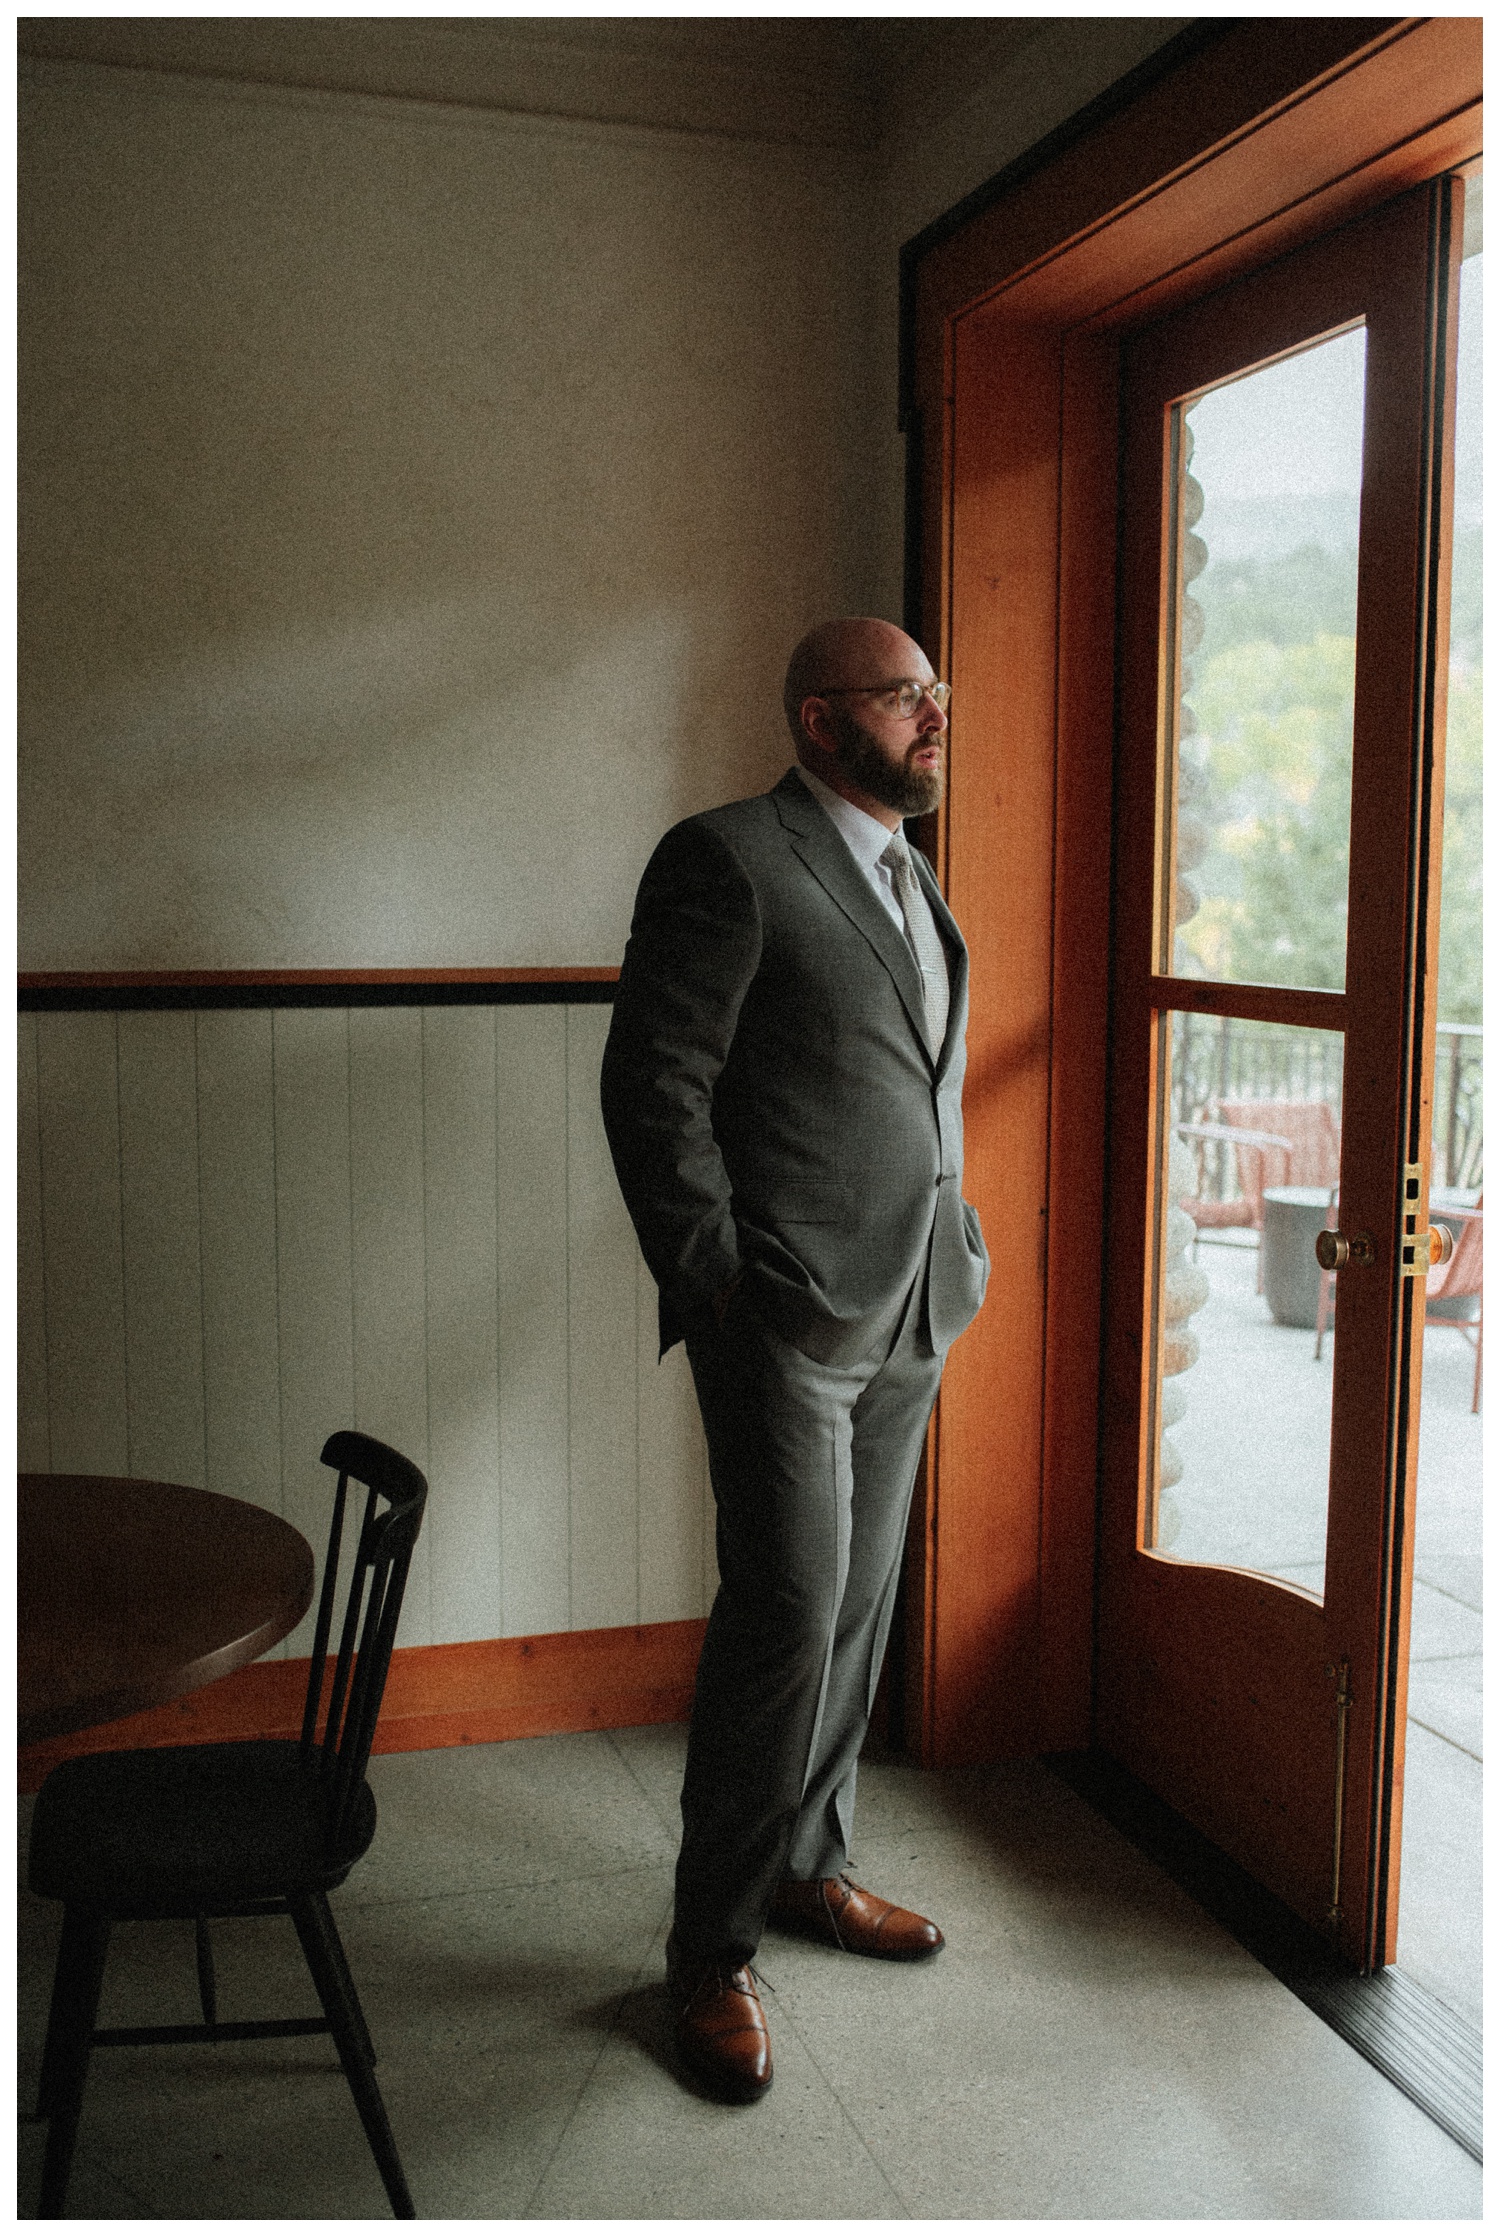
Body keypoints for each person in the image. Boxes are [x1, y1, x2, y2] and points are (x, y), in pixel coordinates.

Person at [600, 616, 989, 2102]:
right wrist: (720, 1286)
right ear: (822, 721)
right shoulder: (727, 857)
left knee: (858, 1608)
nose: (935, 715)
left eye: (936, 692)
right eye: (906, 696)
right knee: (786, 1613)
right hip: (784, 1319)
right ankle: (710, 1950)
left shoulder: (909, 871)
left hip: (914, 1306)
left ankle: (810, 1866)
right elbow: (655, 1085)